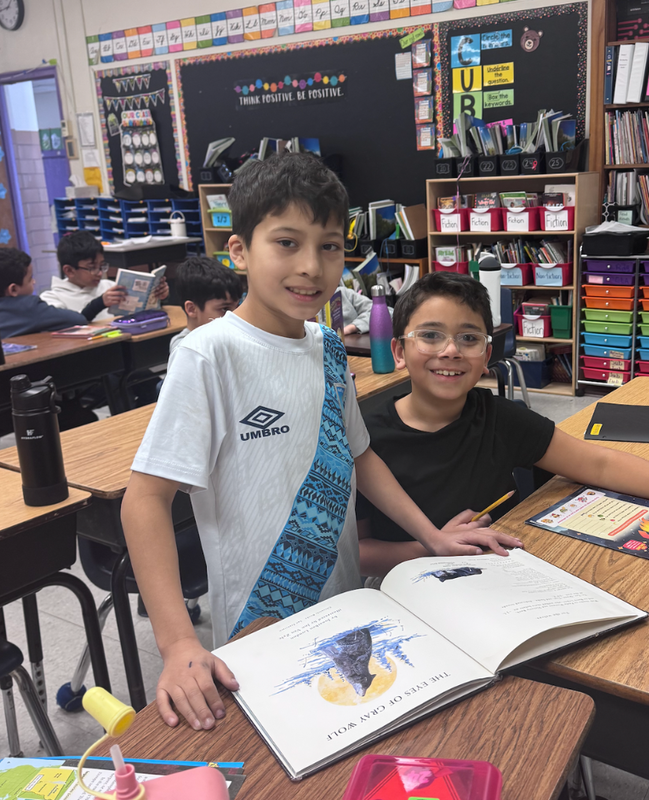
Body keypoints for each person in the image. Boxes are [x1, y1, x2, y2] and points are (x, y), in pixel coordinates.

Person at [120, 154, 520, 732]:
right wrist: (178, 640)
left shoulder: (328, 346)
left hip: (345, 603)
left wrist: (431, 538)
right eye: (287, 243)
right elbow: (146, 499)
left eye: (329, 246)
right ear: (239, 252)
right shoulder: (209, 355)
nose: (311, 266)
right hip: (258, 624)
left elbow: (360, 456)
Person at [357, 272, 649, 578]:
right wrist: (428, 548)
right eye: (430, 335)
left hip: (493, 573)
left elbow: (600, 464)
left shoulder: (496, 417)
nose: (451, 350)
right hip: (404, 583)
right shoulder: (363, 440)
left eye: (469, 338)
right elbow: (355, 555)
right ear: (398, 350)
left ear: (486, 355)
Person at [40, 231, 168, 321]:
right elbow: (70, 324)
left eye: (101, 266)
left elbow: (138, 316)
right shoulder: (51, 299)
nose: (100, 273)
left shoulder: (110, 287)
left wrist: (157, 298)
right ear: (69, 271)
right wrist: (99, 304)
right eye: (91, 267)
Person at [0, 247, 87, 338]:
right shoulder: (27, 307)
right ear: (13, 289)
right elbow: (77, 320)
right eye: (30, 279)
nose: (34, 282)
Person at [169, 255, 243, 355]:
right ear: (192, 309)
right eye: (225, 309)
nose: (235, 316)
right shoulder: (185, 348)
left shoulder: (230, 335)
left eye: (237, 307)